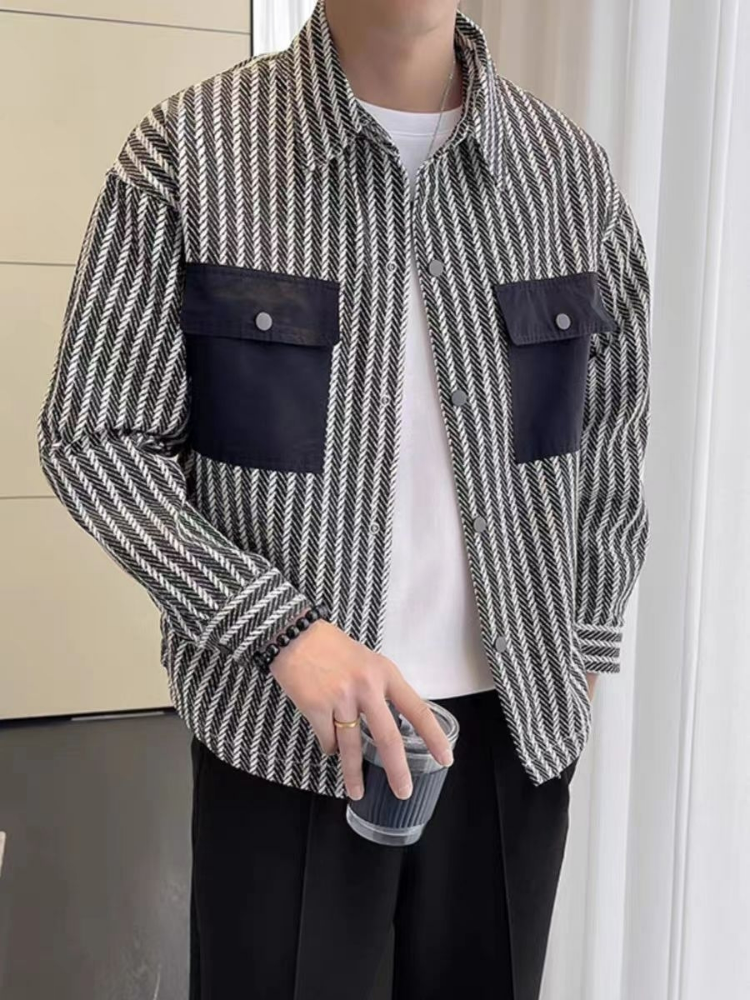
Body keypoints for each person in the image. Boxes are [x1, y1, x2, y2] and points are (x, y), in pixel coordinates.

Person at [36, 1, 651, 997]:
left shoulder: (568, 174)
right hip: (278, 733)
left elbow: (614, 427)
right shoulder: (189, 152)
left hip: (511, 733)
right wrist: (280, 632)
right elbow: (94, 437)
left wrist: (583, 641)